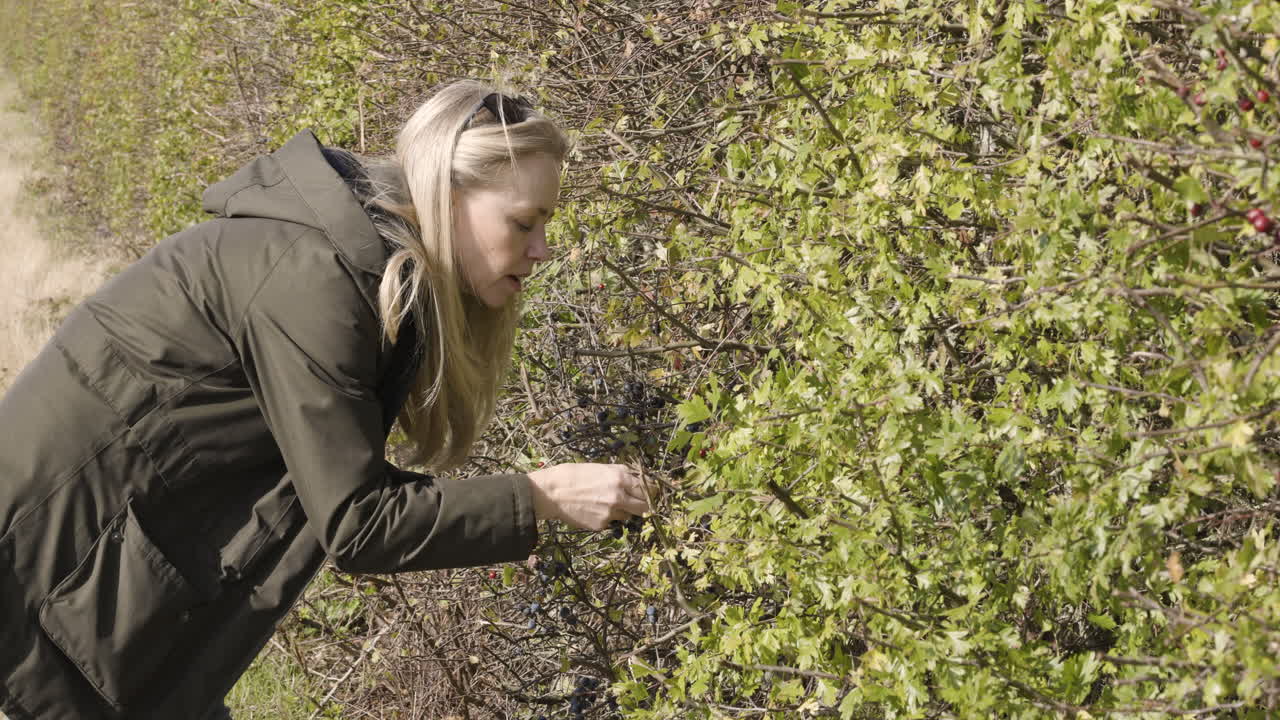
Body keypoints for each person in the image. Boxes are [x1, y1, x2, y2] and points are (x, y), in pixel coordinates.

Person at [0, 78, 654, 720]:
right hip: (45, 562)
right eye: (523, 222)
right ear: (447, 196)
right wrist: (543, 497)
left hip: (96, 588)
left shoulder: (354, 272)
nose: (542, 250)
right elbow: (358, 522)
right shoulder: (317, 278)